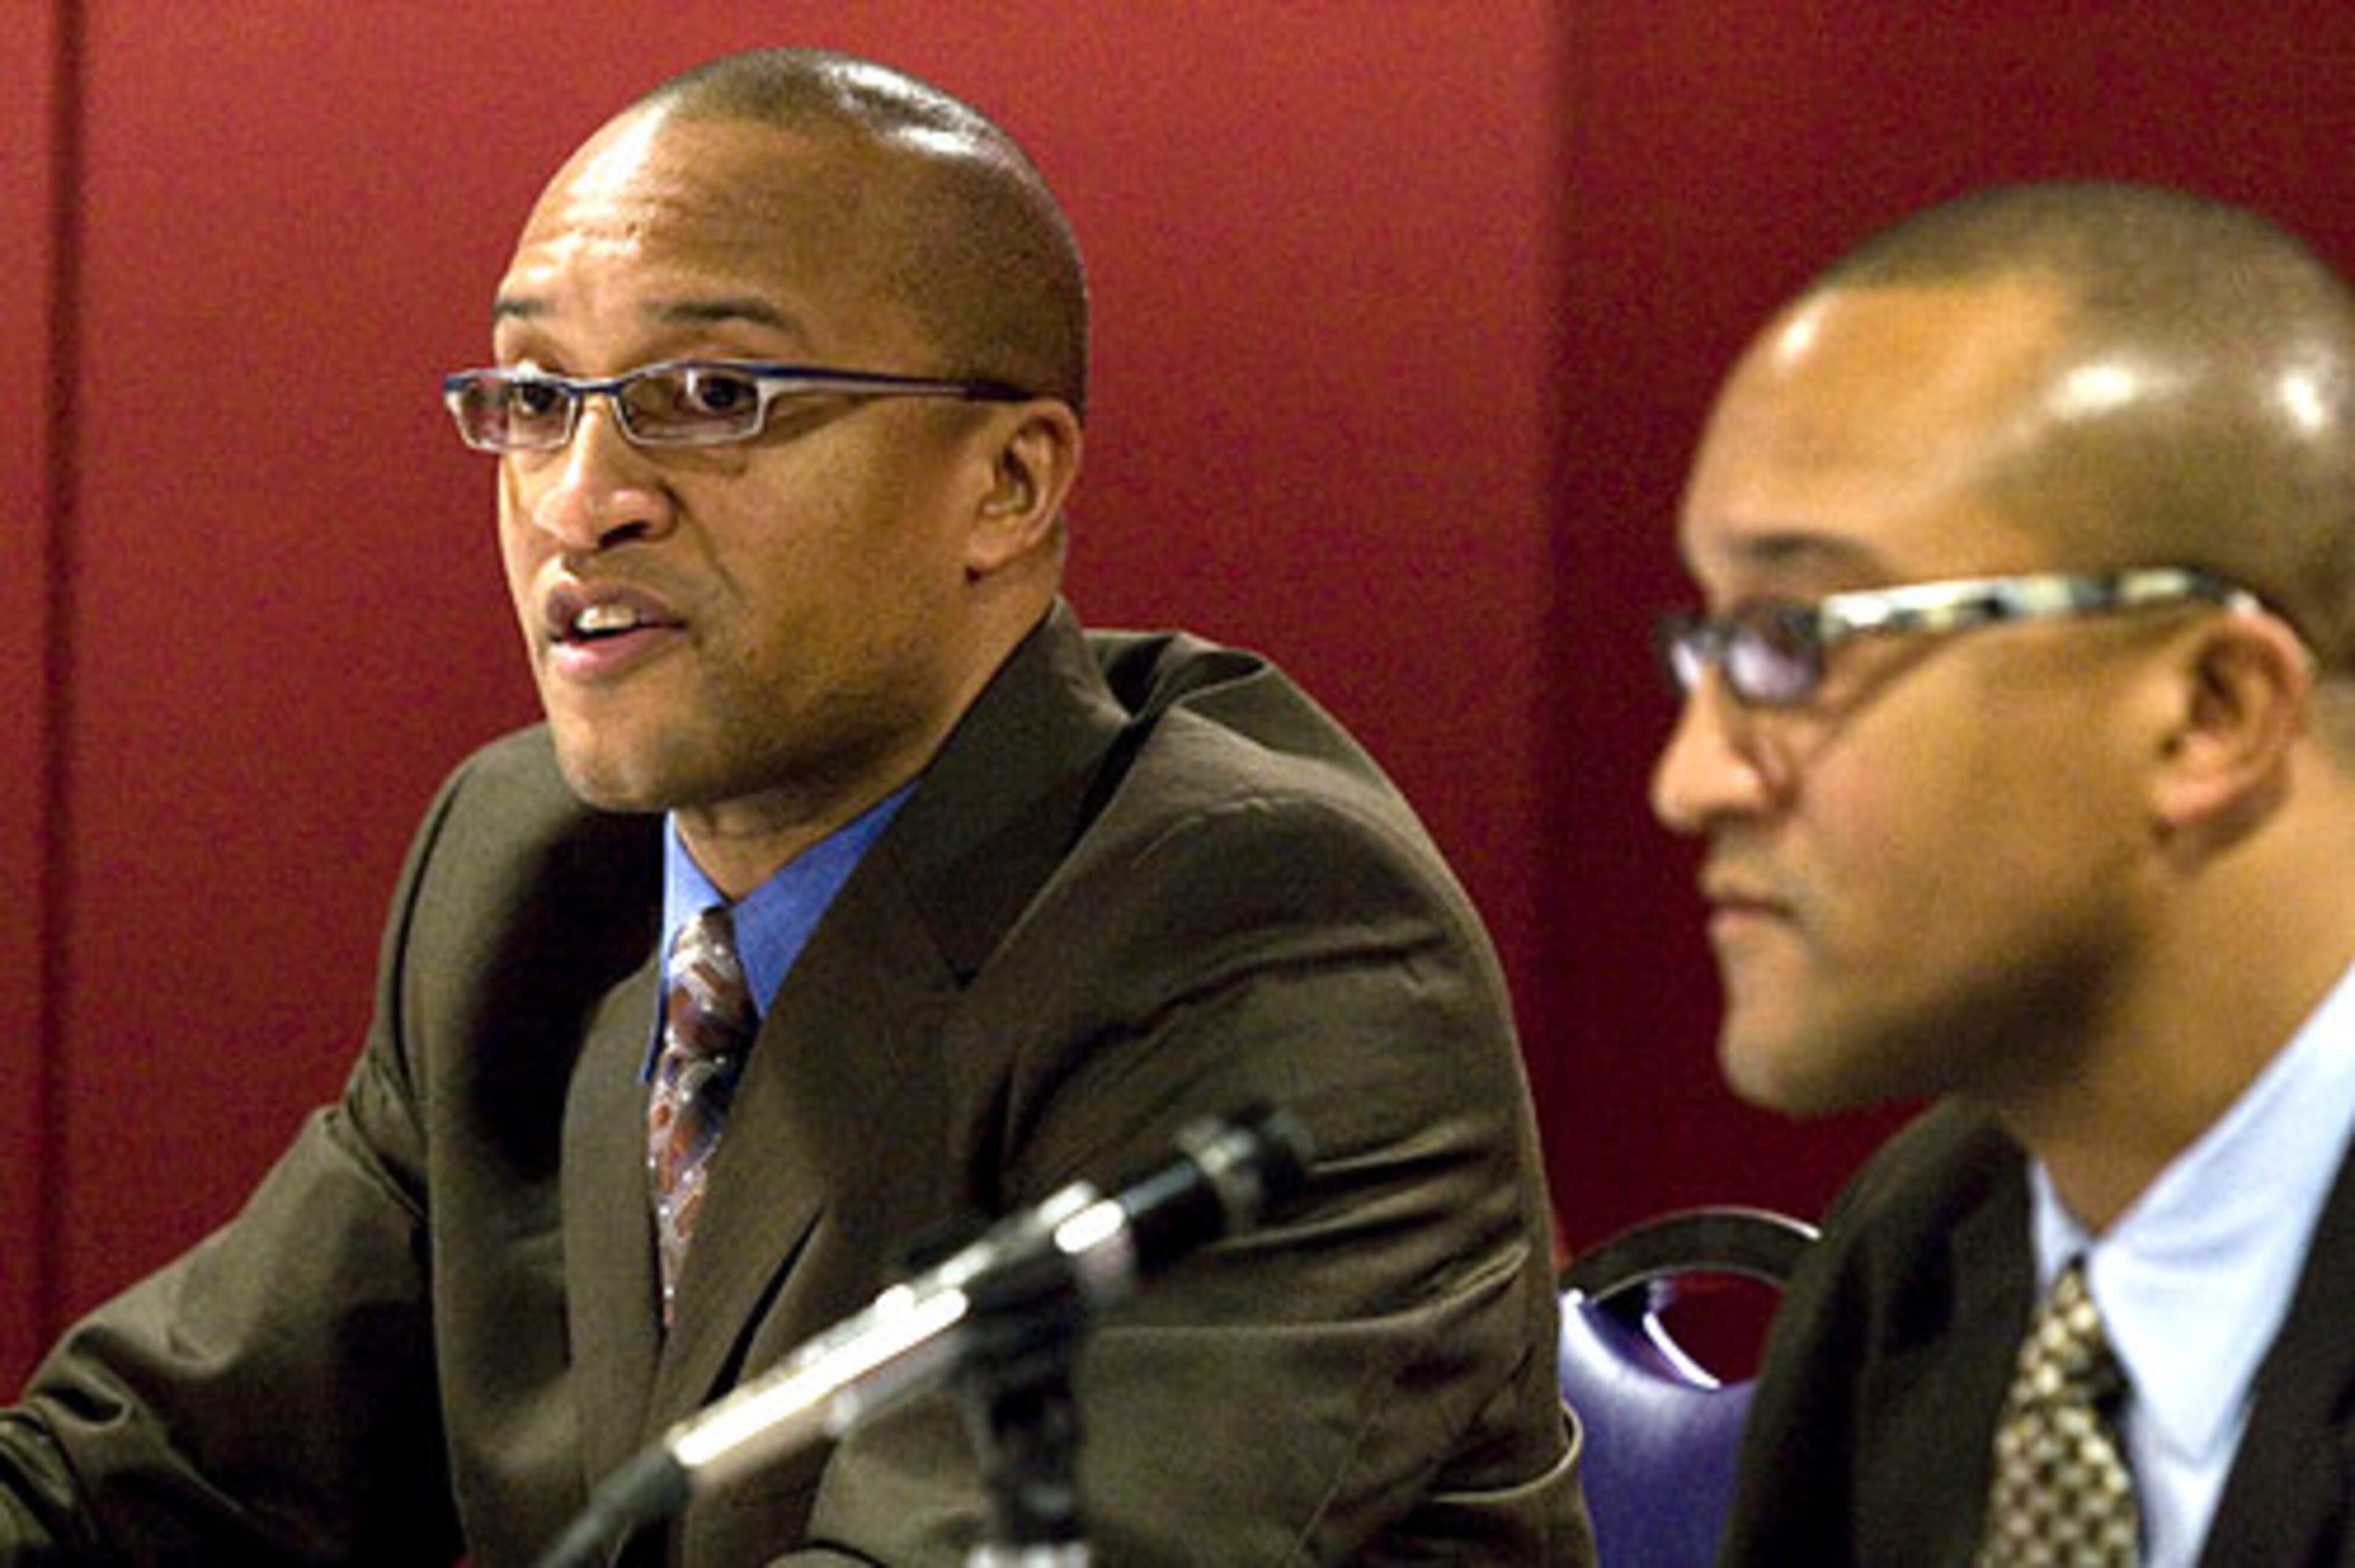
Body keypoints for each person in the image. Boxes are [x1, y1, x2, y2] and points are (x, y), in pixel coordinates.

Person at [0, 47, 1588, 1566]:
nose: (582, 495)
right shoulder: (529, 869)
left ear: (1009, 486)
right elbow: (154, 1477)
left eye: (711, 391)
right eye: (539, 395)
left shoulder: (1264, 939)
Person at [1650, 178, 2355, 1567]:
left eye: (1799, 640)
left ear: (2210, 707)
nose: (1692, 776)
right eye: (1710, 641)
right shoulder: (1915, 1259)